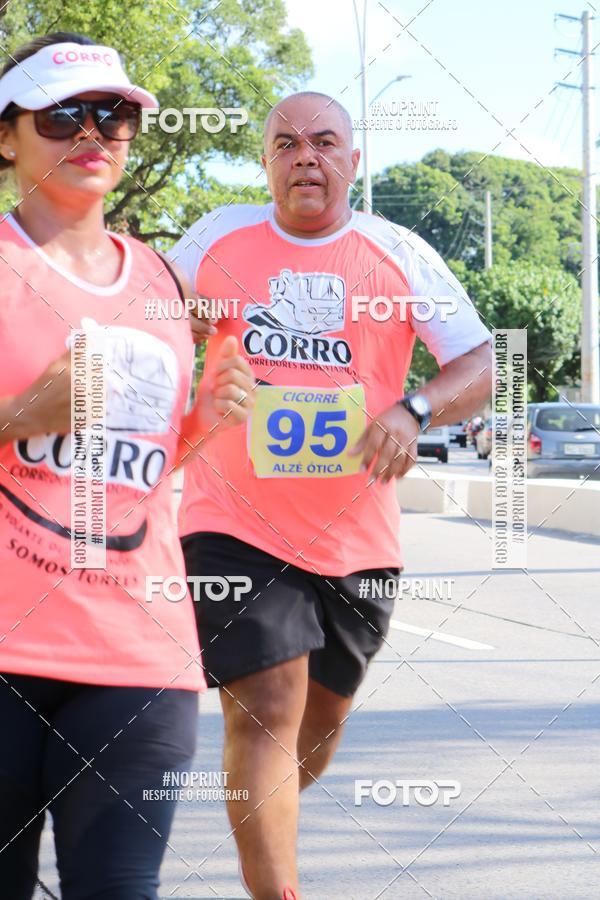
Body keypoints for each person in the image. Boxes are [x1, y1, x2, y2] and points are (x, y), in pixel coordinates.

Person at [170, 92, 493, 900]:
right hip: (230, 523)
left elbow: (485, 362)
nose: (304, 156)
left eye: (324, 142)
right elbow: (144, 316)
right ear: (266, 161)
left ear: (354, 161)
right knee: (267, 708)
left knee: (310, 737)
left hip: (358, 541)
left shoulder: (398, 253)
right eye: (285, 143)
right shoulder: (216, 236)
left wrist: (412, 410)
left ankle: (262, 805)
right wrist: (185, 344)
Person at [0, 32, 254, 899]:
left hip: (139, 656)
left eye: (115, 115)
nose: (94, 132)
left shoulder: (156, 279)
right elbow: (38, 429)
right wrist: (19, 419)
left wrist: (200, 425)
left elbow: (134, 472)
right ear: (7, 137)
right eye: (63, 113)